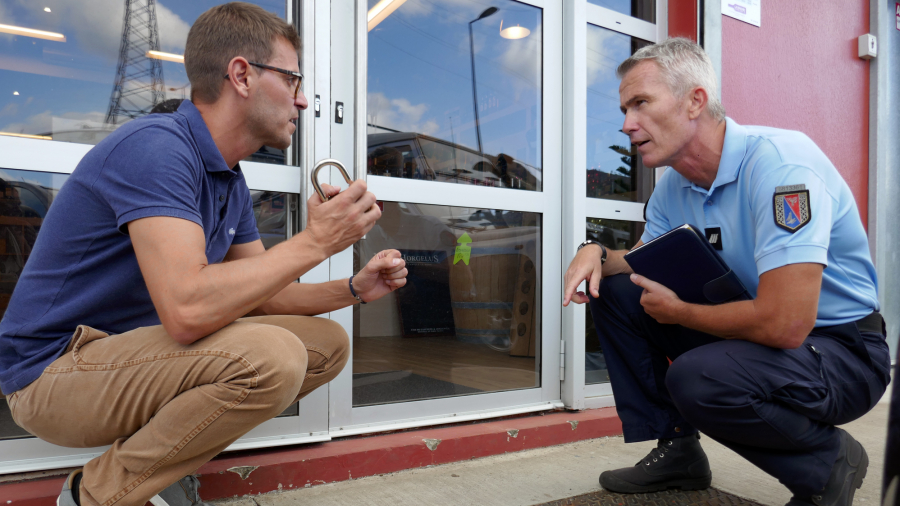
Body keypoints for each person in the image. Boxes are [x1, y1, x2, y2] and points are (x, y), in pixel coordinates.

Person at [0, 3, 407, 505]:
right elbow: (189, 311)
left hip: (129, 355)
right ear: (242, 75)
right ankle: (93, 495)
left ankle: (158, 472)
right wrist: (317, 241)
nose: (303, 103)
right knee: (271, 357)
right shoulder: (157, 149)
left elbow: (264, 296)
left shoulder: (228, 177)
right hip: (52, 374)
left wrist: (352, 289)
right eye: (294, 81)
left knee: (325, 345)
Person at [562, 38, 890, 506]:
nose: (626, 124)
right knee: (615, 290)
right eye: (624, 108)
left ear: (695, 100)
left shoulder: (781, 167)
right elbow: (635, 260)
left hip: (841, 350)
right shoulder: (674, 186)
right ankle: (678, 450)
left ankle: (827, 461)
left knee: (700, 378)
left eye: (641, 103)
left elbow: (786, 323)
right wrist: (593, 250)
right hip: (766, 339)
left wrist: (681, 314)